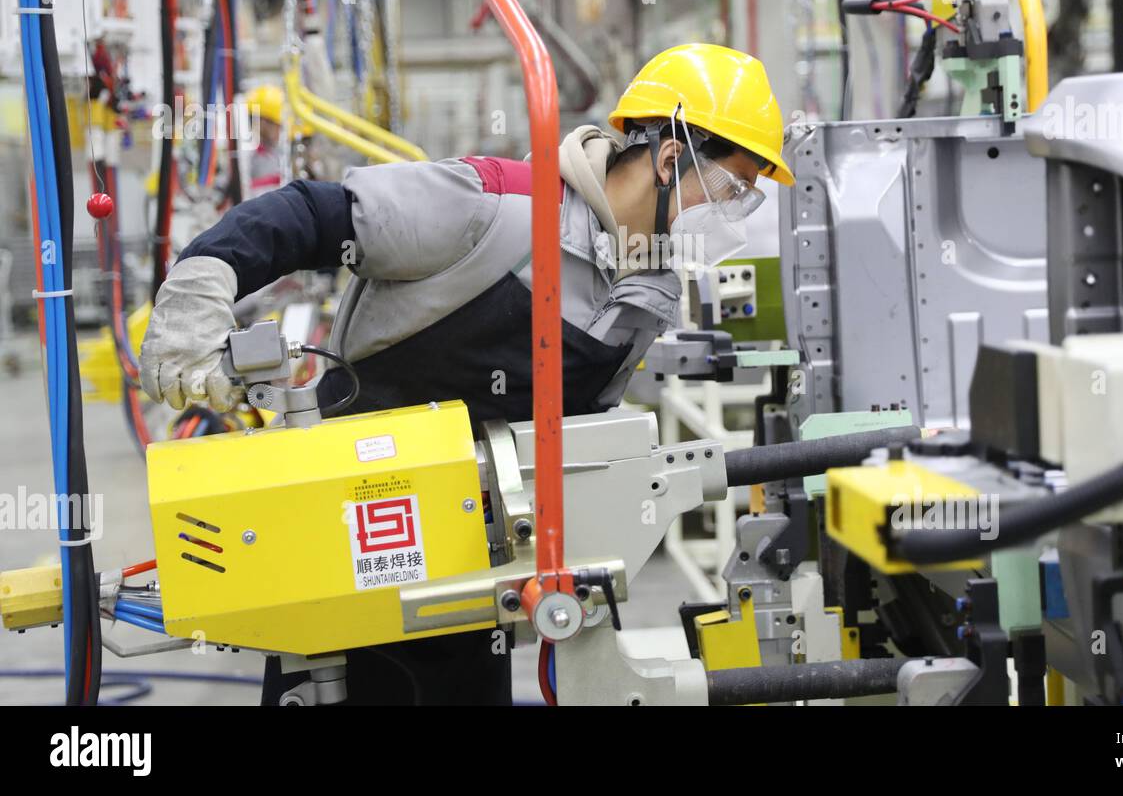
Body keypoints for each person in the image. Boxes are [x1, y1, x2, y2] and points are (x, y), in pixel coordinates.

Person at [138, 43, 794, 705]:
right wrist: (202, 286)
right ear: (671, 155)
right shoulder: (493, 207)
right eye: (731, 189)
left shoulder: (644, 297)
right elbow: (311, 214)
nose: (731, 214)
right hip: (347, 535)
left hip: (472, 579)